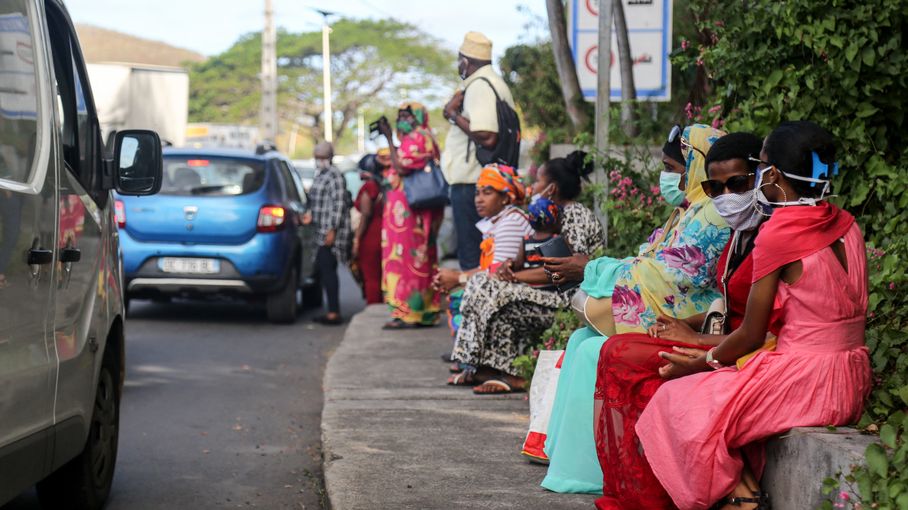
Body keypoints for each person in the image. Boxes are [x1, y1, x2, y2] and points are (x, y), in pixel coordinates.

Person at [634, 121, 871, 510]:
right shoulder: (847, 224)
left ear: (773, 175)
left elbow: (752, 335)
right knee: (704, 401)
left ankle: (741, 500)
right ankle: (743, 495)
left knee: (673, 400)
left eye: (761, 167)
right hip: (851, 375)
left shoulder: (778, 234)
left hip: (805, 380)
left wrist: (697, 363)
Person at [541, 124, 729, 494]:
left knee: (596, 351)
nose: (667, 177)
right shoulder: (688, 210)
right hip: (672, 307)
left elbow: (672, 277)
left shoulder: (713, 214)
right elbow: (648, 260)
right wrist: (600, 271)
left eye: (673, 168)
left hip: (692, 316)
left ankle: (595, 471)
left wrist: (591, 270)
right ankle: (564, 458)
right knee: (581, 341)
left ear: (696, 166)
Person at [591, 133, 770, 508]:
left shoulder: (773, 234)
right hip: (721, 336)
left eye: (737, 183)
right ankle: (647, 489)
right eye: (714, 187)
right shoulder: (740, 230)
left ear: (762, 176)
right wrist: (687, 323)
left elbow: (763, 330)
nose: (727, 195)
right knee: (616, 352)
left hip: (748, 350)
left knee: (628, 357)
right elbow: (726, 302)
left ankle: (703, 488)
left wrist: (699, 345)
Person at [447, 152, 605, 394]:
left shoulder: (573, 213)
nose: (533, 187)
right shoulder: (549, 216)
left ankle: (505, 372)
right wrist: (512, 266)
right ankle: (483, 366)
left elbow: (571, 268)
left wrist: (514, 277)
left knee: (492, 290)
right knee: (485, 284)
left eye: (538, 181)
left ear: (551, 188)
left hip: (570, 297)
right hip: (553, 291)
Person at [441, 31, 516, 271]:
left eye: (459, 60)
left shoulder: (480, 86)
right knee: (484, 254)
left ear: (465, 61)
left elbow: (487, 135)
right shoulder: (493, 82)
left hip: (473, 184)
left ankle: (472, 306)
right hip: (482, 183)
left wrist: (452, 115)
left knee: (472, 255)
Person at [434, 164, 531, 338]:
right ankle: (466, 356)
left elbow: (498, 274)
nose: (479, 199)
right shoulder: (499, 220)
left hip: (520, 290)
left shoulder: (511, 222)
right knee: (457, 289)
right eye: (477, 193)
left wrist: (458, 278)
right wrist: (453, 278)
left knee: (460, 295)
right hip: (505, 286)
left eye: (487, 193)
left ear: (505, 198)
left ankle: (468, 358)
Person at [378, 103, 444, 329]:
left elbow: (403, 167)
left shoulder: (419, 137)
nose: (401, 120)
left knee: (410, 262)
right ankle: (422, 312)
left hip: (411, 218)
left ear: (417, 117)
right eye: (399, 116)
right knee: (415, 260)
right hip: (406, 216)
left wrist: (388, 139)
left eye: (406, 115)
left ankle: (408, 313)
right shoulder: (416, 138)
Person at [307, 141, 352, 325]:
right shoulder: (321, 175)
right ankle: (330, 309)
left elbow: (338, 204)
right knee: (323, 269)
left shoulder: (335, 176)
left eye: (322, 157)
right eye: (317, 158)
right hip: (320, 230)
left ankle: (334, 312)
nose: (319, 161)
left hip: (331, 232)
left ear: (329, 158)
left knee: (328, 271)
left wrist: (332, 230)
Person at [352, 151, 386, 305]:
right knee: (381, 274)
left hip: (371, 237)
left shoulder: (368, 187)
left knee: (371, 276)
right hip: (385, 233)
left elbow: (365, 214)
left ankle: (373, 307)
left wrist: (357, 239)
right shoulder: (383, 185)